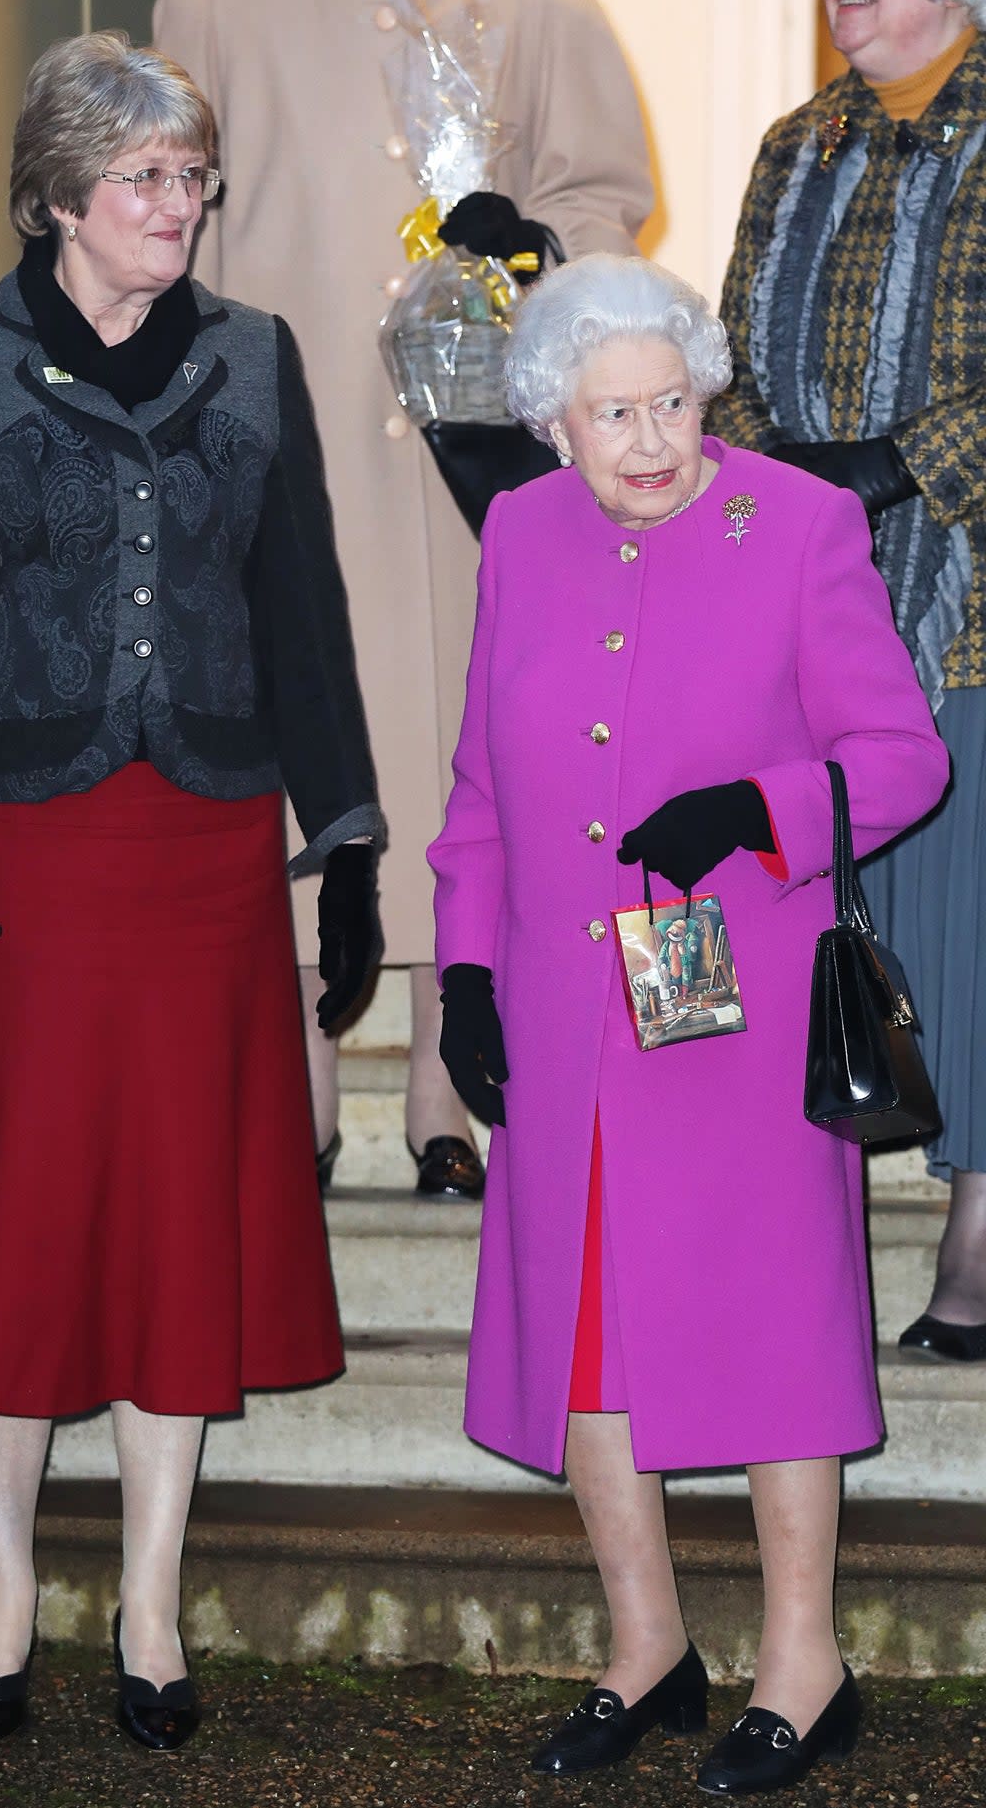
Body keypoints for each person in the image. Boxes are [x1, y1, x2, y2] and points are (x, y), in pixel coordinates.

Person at [0, 31, 382, 1749]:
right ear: (61, 194)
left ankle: (148, 1605)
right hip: (18, 859)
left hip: (206, 854)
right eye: (147, 180)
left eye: (193, 180)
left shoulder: (259, 362)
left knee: (171, 1229)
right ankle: (0, 1604)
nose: (179, 208)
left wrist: (344, 847)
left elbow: (306, 622)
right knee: (28, 1222)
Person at [430, 253, 948, 1796]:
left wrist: (760, 808)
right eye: (612, 415)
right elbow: (478, 791)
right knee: (582, 1323)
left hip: (739, 994)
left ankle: (807, 1658)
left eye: (671, 403)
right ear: (552, 427)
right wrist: (464, 972)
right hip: (566, 997)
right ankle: (644, 1645)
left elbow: (903, 756)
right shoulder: (521, 534)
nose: (650, 441)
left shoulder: (798, 522)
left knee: (776, 1316)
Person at [153, 0, 652, 1198]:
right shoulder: (215, 9)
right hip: (287, 444)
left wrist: (532, 254)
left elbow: (604, 199)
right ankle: (303, 1063)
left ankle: (447, 1069)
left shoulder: (539, 7)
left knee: (467, 750)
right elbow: (174, 232)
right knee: (296, 742)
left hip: (479, 459)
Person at [710, 0, 986, 1362]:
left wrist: (899, 467)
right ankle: (787, 1235)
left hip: (975, 598)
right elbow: (732, 356)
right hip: (809, 591)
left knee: (970, 926)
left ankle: (981, 1237)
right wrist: (779, 474)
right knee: (809, 924)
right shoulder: (795, 142)